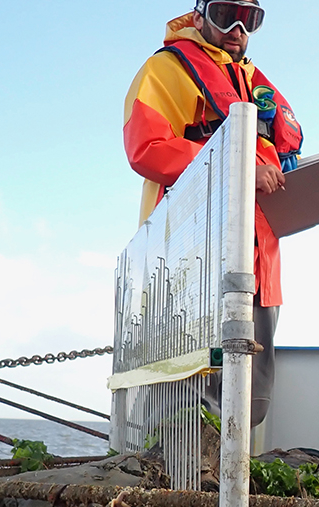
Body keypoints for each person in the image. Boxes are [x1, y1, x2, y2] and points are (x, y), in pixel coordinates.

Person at [123, 0, 302, 426]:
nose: (238, 28)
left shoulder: (255, 83)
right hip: (189, 266)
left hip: (259, 268)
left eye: (250, 19)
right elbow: (146, 148)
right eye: (226, 15)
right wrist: (240, 167)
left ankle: (223, 487)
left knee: (251, 401)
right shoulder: (165, 70)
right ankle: (176, 490)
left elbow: (286, 151)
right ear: (200, 16)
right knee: (180, 402)